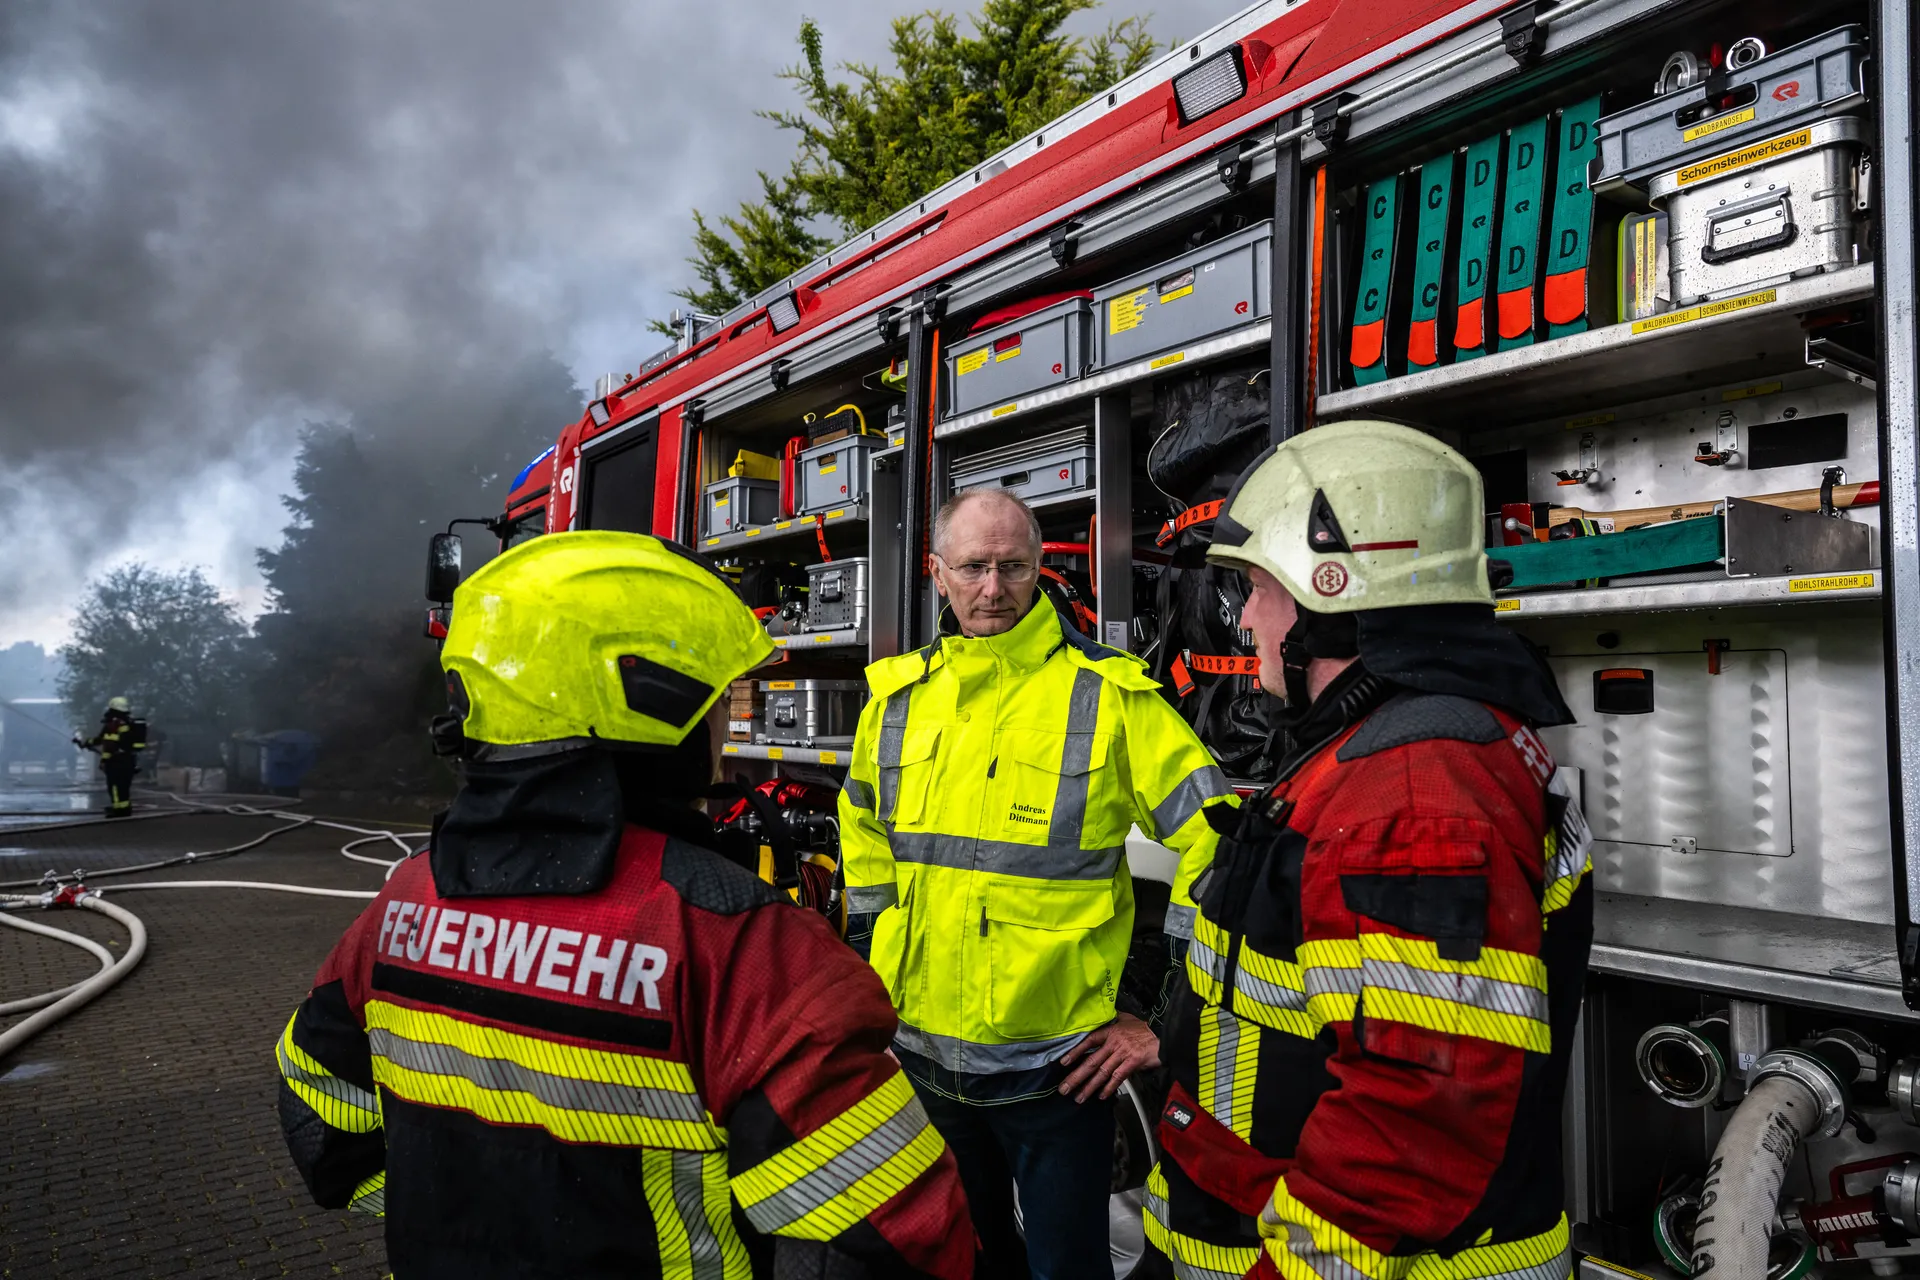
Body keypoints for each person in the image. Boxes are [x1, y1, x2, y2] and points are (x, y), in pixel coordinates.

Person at [274, 531, 974, 1280]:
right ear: (656, 705)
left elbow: (320, 1119)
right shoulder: (746, 946)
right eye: (718, 700)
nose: (726, 725)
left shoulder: (403, 905)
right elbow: (897, 1245)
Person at [1142, 420, 1593, 1280]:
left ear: (1330, 592)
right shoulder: (1381, 749)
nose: (1246, 622)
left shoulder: (1417, 786)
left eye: (1258, 589)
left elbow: (1417, 1118)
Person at [838, 488, 1236, 1280]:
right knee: (960, 1261)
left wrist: (1162, 1016)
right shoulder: (895, 700)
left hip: (1058, 1075)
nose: (994, 589)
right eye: (974, 568)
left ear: (1040, 567)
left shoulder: (1107, 694)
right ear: (937, 573)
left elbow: (1217, 839)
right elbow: (867, 848)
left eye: (1014, 567)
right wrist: (865, 998)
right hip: (921, 1064)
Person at [76, 696, 141, 818]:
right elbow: (104, 740)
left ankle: (118, 810)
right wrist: (88, 742)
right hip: (129, 760)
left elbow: (109, 744)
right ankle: (125, 809)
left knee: (115, 786)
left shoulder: (114, 724)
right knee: (124, 786)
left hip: (116, 761)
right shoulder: (128, 722)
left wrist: (104, 760)